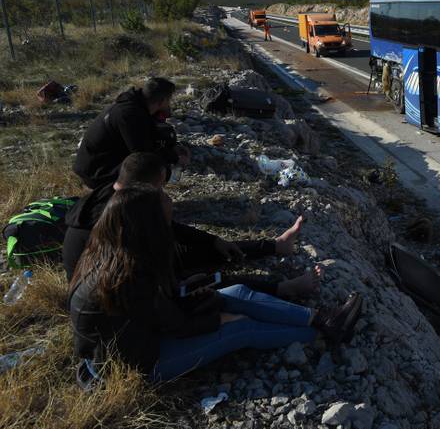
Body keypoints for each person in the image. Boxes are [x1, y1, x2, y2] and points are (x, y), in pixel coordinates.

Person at [68, 186, 362, 384]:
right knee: (241, 326)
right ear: (148, 226)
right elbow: (176, 325)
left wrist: (192, 294)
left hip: (138, 339)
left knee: (233, 293)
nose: (171, 225)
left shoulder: (110, 252)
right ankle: (319, 335)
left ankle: (322, 318)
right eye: (167, 218)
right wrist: (217, 319)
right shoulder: (128, 274)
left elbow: (153, 311)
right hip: (136, 365)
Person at [64, 152, 318, 300]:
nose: (163, 191)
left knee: (209, 250)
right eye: (160, 186)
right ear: (146, 186)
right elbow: (145, 270)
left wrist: (214, 241)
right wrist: (182, 282)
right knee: (208, 282)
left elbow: (172, 230)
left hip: (122, 272)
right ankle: (284, 289)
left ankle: (276, 246)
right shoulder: (118, 212)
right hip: (113, 290)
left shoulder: (118, 193)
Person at [73, 77, 191, 190]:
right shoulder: (129, 114)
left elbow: (153, 136)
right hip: (96, 172)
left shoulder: (138, 105)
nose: (169, 104)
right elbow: (143, 153)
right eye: (169, 100)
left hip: (105, 161)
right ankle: (131, 197)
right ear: (162, 101)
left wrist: (174, 148)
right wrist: (175, 159)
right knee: (152, 167)